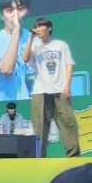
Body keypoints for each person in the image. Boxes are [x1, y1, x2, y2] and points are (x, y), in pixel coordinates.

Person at [22, 16, 79, 157]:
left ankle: (73, 156)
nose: (38, 29)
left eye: (40, 26)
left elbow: (69, 64)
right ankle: (40, 157)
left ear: (49, 28)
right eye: (36, 27)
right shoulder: (35, 46)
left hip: (60, 90)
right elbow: (25, 58)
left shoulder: (61, 45)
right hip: (40, 91)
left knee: (68, 123)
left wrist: (67, 85)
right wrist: (30, 38)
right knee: (40, 126)